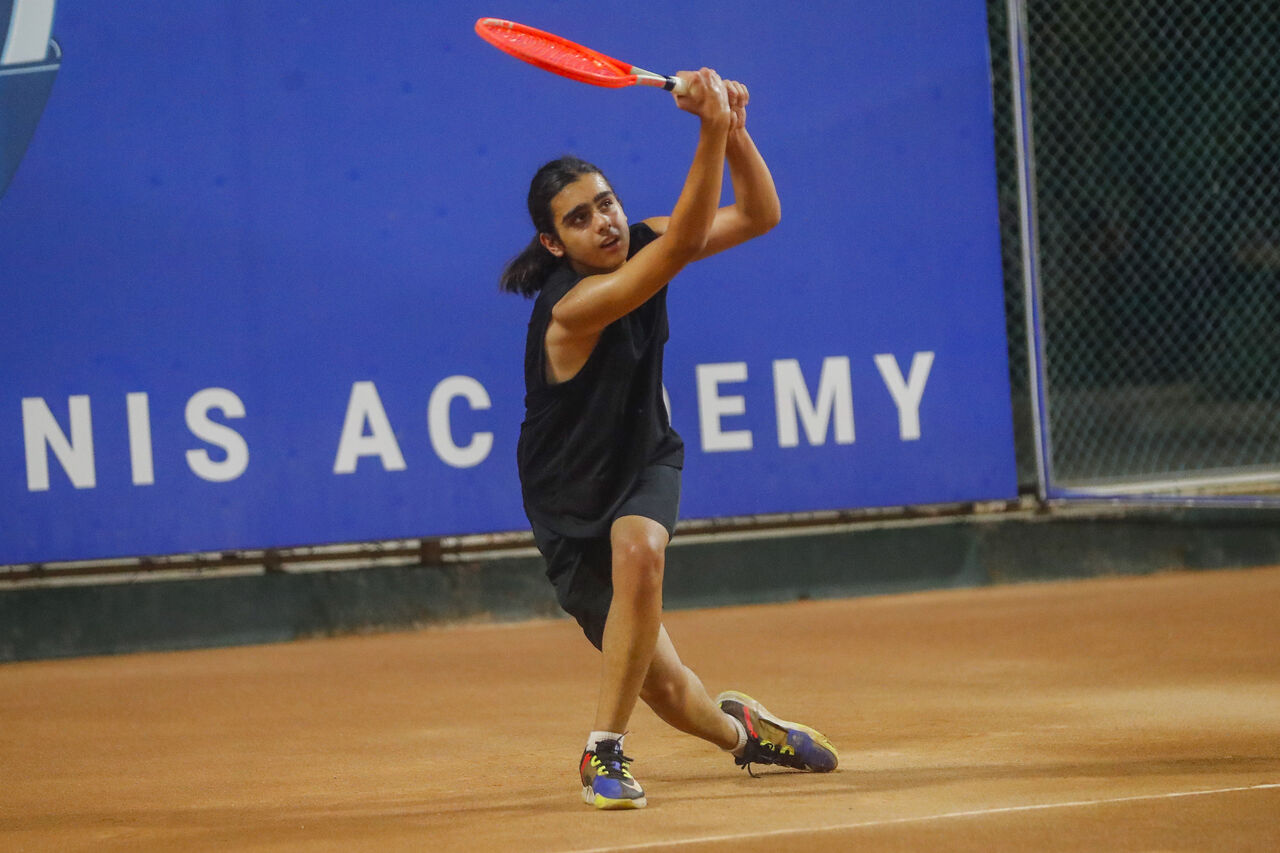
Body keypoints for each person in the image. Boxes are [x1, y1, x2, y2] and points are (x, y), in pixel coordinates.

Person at [501, 68, 838, 810]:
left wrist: (736, 130)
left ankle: (603, 753)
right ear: (554, 245)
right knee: (667, 685)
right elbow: (686, 239)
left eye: (608, 204)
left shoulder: (643, 242)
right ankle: (744, 732)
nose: (607, 223)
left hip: (645, 458)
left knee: (643, 550)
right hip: (566, 501)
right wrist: (708, 124)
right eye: (581, 220)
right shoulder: (575, 309)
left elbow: (758, 212)